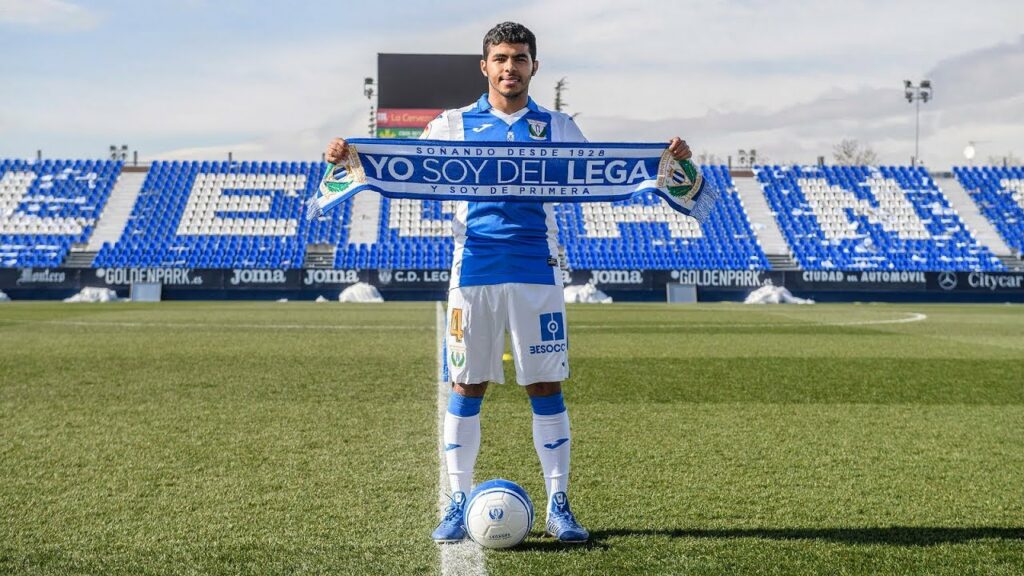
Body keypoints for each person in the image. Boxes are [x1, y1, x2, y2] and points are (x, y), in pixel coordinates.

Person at [324, 21, 693, 544]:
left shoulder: (557, 127)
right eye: (500, 58)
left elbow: (604, 179)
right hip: (472, 269)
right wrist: (352, 159)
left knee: (544, 386)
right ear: (485, 66)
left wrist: (663, 163)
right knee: (466, 386)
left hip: (535, 270)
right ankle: (457, 499)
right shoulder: (451, 125)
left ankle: (558, 505)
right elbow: (400, 170)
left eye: (519, 58)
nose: (509, 68)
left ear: (533, 67)